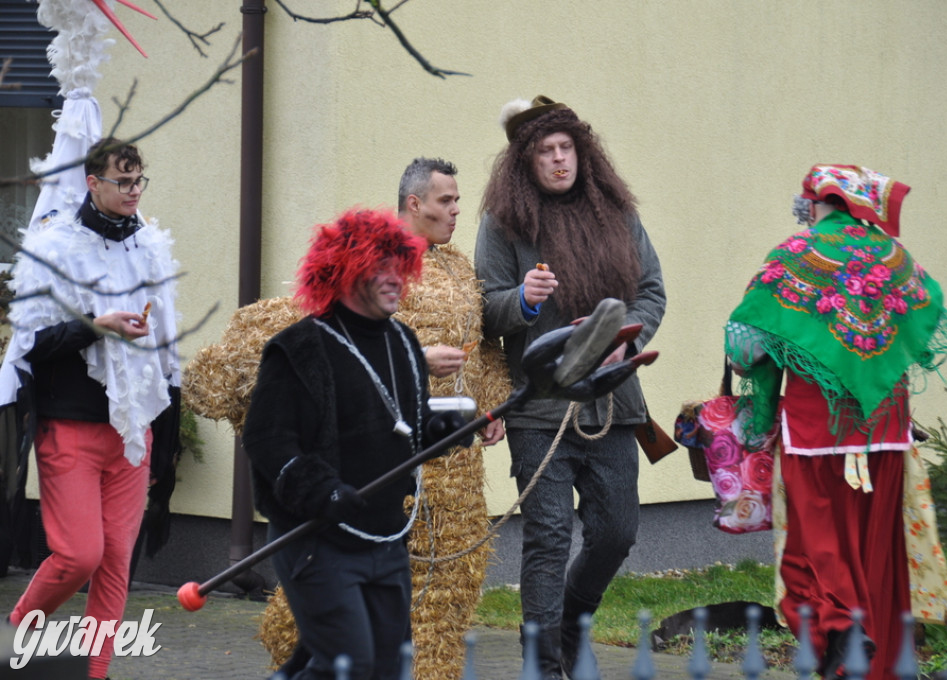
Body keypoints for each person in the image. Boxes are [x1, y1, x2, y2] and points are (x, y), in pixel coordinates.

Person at [724, 165, 947, 680]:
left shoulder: (794, 257)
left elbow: (746, 345)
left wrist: (762, 404)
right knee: (880, 560)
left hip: (816, 435)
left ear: (812, 204)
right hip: (886, 433)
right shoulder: (895, 259)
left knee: (815, 555)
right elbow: (929, 309)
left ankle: (842, 638)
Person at [474, 95, 666, 678]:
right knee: (550, 535)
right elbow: (484, 308)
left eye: (567, 149)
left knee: (616, 532)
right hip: (540, 409)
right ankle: (544, 664)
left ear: (583, 154)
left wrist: (625, 341)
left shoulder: (618, 214)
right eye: (545, 153)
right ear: (525, 164)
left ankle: (572, 622)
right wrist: (524, 301)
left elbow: (651, 291)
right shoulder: (503, 224)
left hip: (612, 399)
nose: (559, 161)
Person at [242, 208, 473, 680]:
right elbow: (267, 442)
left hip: (385, 539)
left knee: (388, 669)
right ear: (345, 270)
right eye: (380, 268)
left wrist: (440, 431)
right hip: (316, 538)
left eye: (399, 267)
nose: (396, 280)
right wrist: (323, 491)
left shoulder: (403, 341)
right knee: (348, 668)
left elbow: (399, 422)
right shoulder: (299, 348)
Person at [0, 138, 180, 680]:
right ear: (92, 183)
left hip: (132, 430)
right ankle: (19, 634)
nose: (132, 191)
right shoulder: (54, 247)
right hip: (70, 428)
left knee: (115, 564)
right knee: (80, 555)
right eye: (121, 182)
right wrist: (93, 326)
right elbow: (30, 343)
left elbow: (168, 350)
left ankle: (93, 673)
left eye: (138, 180)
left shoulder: (150, 248)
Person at [393, 157, 511, 680]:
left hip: (460, 460)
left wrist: (494, 404)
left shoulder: (460, 266)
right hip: (399, 456)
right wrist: (416, 359)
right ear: (414, 204)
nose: (458, 210)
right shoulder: (376, 260)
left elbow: (484, 346)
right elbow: (344, 346)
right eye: (446, 201)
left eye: (458, 200)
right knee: (393, 582)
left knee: (455, 581)